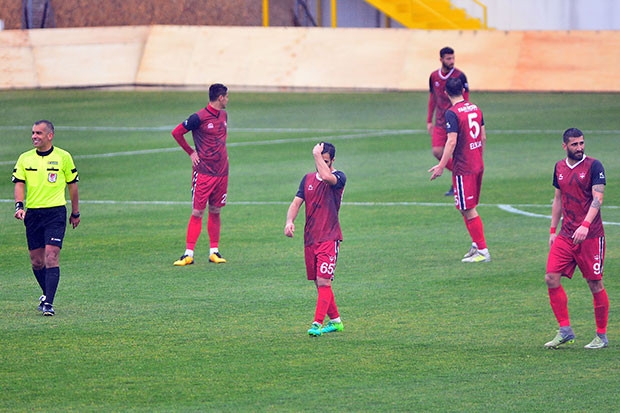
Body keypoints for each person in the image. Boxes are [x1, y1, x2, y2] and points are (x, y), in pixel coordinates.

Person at [543, 128, 609, 350]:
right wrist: (553, 230)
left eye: (581, 143)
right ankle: (565, 330)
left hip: (591, 236)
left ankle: (601, 335)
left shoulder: (594, 166)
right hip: (566, 234)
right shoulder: (559, 168)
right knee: (551, 277)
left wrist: (585, 225)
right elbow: (558, 199)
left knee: (594, 283)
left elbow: (598, 198)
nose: (579, 148)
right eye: (574, 144)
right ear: (565, 146)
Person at [12, 120, 80, 316]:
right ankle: (46, 294)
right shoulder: (25, 158)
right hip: (33, 214)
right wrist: (19, 206)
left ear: (50, 136)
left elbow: (73, 186)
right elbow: (19, 183)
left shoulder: (63, 157)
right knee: (37, 261)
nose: (34, 136)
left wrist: (75, 212)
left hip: (55, 213)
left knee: (51, 255)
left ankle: (49, 303)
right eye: (33, 133)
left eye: (39, 133)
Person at [284, 142, 346, 337]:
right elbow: (296, 203)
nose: (322, 164)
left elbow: (326, 177)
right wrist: (289, 221)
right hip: (310, 239)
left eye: (326, 161)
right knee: (318, 283)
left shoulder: (339, 177)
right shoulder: (308, 179)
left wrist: (316, 155)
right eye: (321, 159)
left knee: (323, 281)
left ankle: (317, 324)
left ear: (332, 160)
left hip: (329, 237)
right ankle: (335, 321)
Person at [429, 77, 490, 263]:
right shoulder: (475, 108)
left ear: (446, 93)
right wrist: (477, 156)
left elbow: (451, 141)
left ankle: (483, 251)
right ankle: (476, 244)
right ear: (463, 91)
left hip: (464, 167)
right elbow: (483, 137)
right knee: (466, 208)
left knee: (468, 209)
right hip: (477, 164)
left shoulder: (452, 113)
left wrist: (441, 166)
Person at [172, 83, 230, 266]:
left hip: (222, 172)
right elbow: (177, 132)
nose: (228, 100)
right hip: (204, 172)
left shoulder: (224, 115)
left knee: (216, 210)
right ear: (220, 97)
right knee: (198, 211)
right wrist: (191, 152)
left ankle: (214, 252)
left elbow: (220, 139)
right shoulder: (198, 117)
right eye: (226, 97)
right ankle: (188, 254)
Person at [427, 46, 470, 196]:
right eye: (448, 58)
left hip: (456, 120)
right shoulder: (434, 76)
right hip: (440, 121)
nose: (452, 61)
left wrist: (464, 115)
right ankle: (460, 174)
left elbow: (465, 97)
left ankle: (458, 182)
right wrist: (429, 120)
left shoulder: (460, 76)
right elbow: (432, 98)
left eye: (453, 58)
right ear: (441, 59)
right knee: (437, 151)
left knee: (457, 152)